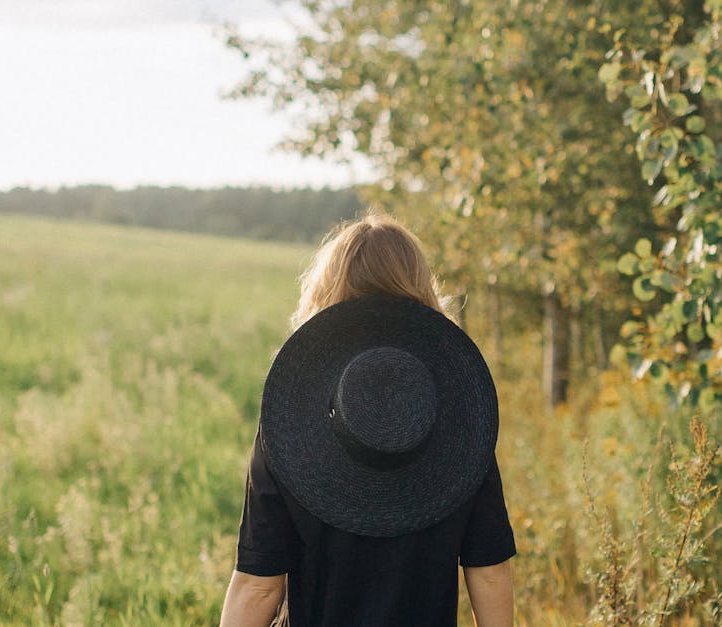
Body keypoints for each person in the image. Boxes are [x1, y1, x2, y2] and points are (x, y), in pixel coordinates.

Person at [219, 212, 516, 627]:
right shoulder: (462, 417)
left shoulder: (289, 422)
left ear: (326, 294)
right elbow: (488, 572)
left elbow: (259, 585)